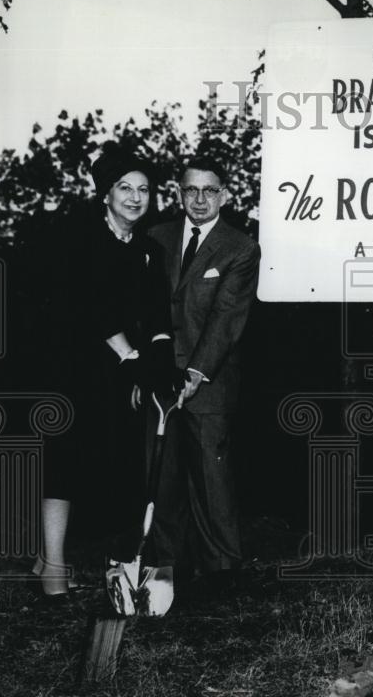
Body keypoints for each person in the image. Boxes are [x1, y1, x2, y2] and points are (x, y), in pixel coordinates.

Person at [37, 142, 185, 599]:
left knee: (109, 463)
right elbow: (91, 308)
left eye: (144, 189)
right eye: (125, 188)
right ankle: (54, 569)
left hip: (122, 371)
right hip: (73, 364)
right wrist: (133, 358)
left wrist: (159, 358)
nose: (136, 197)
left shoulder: (148, 248)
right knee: (65, 462)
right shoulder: (82, 237)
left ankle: (105, 565)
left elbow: (159, 313)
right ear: (106, 193)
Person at [147, 156, 260, 591]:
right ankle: (166, 573)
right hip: (158, 381)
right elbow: (144, 310)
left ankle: (223, 574)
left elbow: (226, 318)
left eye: (209, 190)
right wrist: (146, 373)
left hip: (207, 383)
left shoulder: (240, 248)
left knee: (212, 482)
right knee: (161, 476)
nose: (199, 199)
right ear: (179, 193)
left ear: (224, 195)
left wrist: (194, 373)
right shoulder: (155, 238)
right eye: (191, 190)